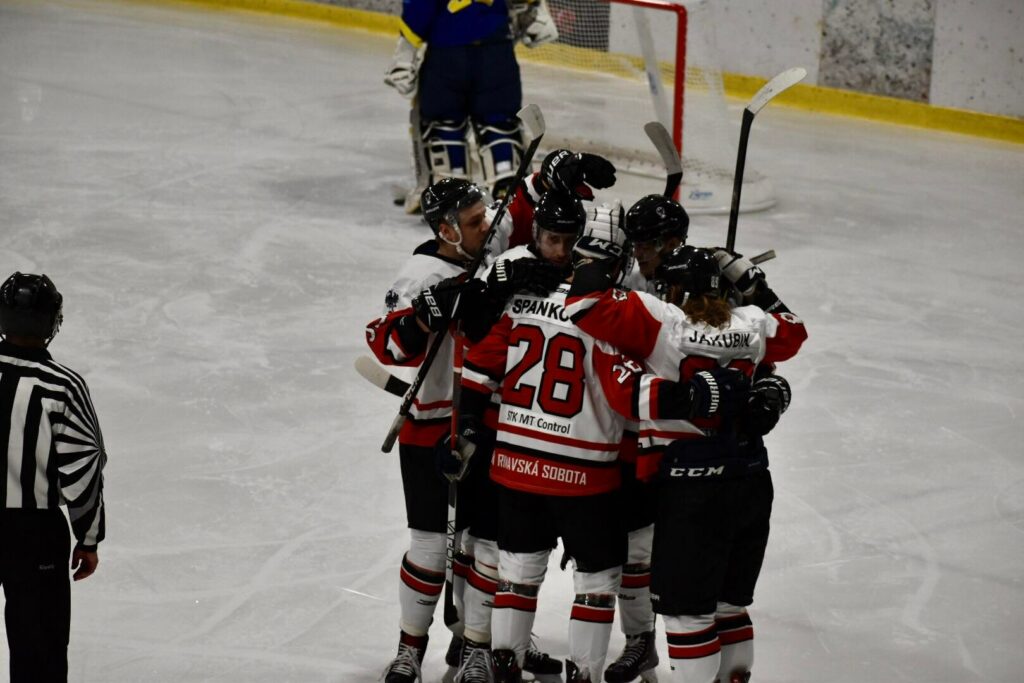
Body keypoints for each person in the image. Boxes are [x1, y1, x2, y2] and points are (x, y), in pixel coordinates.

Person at [452, 205, 742, 683]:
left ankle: (504, 667)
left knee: (517, 573)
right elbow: (628, 397)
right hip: (585, 473)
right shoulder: (614, 314)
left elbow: (479, 366)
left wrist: (467, 426)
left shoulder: (524, 300)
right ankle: (585, 674)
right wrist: (696, 395)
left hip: (515, 466)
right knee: (598, 580)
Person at [566, 245, 807, 683]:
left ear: (674, 289)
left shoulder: (663, 320)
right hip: (750, 480)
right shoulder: (752, 322)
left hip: (692, 489)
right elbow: (794, 331)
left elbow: (582, 304)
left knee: (687, 615)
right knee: (730, 607)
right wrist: (753, 283)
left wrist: (599, 254)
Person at [365, 177, 563, 683]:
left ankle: (477, 646)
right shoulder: (423, 273)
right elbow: (386, 344)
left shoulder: (488, 246)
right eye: (475, 221)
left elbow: (517, 216)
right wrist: (424, 315)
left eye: (485, 216)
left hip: (491, 423)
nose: (487, 227)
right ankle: (410, 650)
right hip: (432, 428)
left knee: (487, 547)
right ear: (447, 230)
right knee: (431, 549)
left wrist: (544, 179)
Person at [0, 272, 107, 683]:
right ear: (52, 323)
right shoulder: (62, 386)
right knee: (38, 651)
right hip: (33, 535)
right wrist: (88, 537)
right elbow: (84, 464)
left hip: (29, 532)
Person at [383, 0, 558, 199]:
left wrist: (405, 53)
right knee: (500, 126)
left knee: (445, 125)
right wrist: (535, 11)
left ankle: (450, 195)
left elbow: (420, 7)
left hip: (446, 56)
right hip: (496, 52)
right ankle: (508, 192)